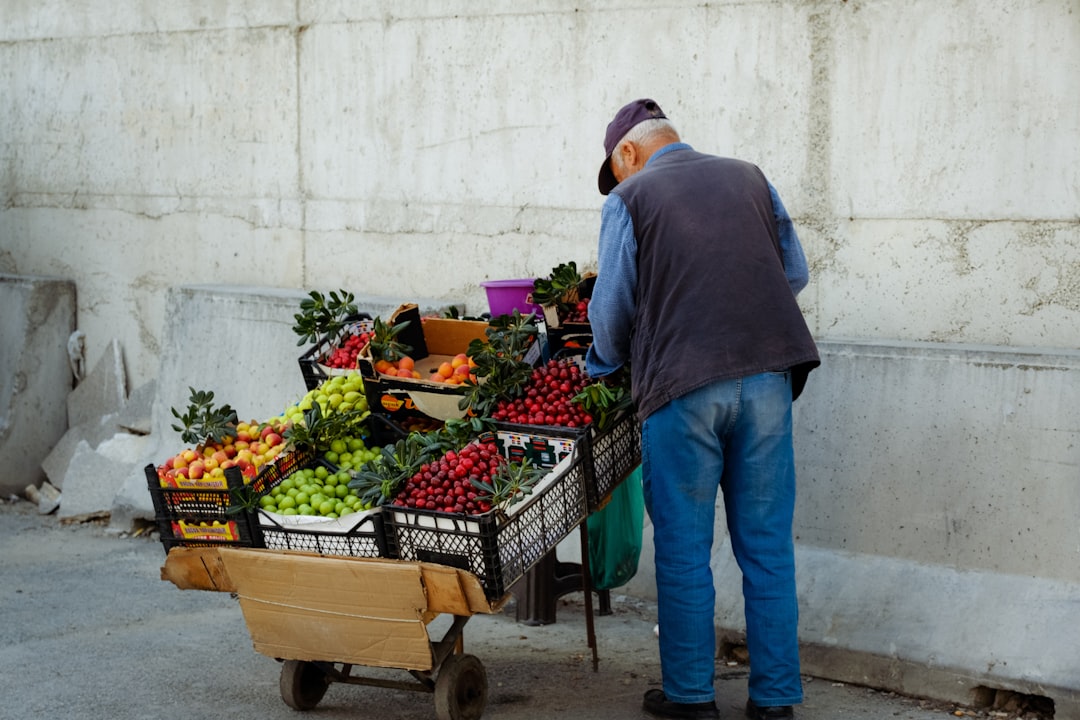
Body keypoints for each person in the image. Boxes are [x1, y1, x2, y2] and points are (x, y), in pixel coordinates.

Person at [585, 99, 820, 720]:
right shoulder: (750, 176)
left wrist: (604, 363)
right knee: (768, 545)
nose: (619, 182)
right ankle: (775, 701)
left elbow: (611, 315)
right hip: (769, 377)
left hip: (682, 387)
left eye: (617, 170)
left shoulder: (628, 201)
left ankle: (691, 697)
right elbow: (791, 273)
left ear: (627, 154)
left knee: (685, 548)